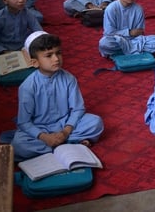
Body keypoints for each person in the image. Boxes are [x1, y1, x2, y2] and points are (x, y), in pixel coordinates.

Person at [11, 31, 104, 161]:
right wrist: (45, 137)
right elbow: (24, 122)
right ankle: (71, 144)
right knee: (19, 144)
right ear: (35, 62)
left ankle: (56, 146)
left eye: (58, 53)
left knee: (95, 122)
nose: (56, 59)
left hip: (65, 124)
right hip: (40, 128)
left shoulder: (69, 78)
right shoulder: (28, 87)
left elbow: (78, 109)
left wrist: (66, 131)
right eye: (49, 55)